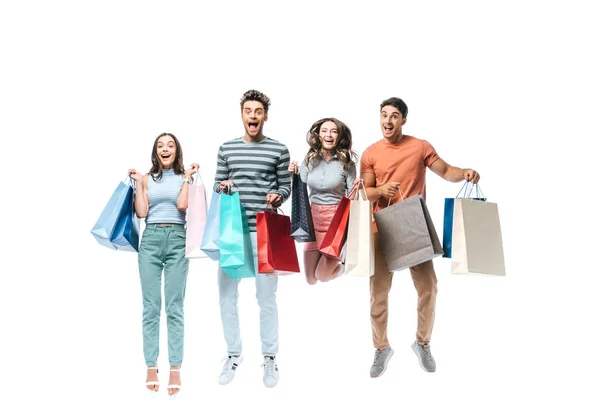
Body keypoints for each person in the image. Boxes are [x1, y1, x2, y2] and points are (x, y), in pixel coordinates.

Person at [360, 97, 480, 377]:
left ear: (403, 120)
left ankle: (422, 343)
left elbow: (447, 171)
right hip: (380, 228)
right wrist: (381, 191)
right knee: (378, 294)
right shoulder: (370, 153)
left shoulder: (420, 146)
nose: (387, 121)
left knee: (429, 287)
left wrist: (465, 173)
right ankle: (381, 348)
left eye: (394, 116)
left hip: (414, 226)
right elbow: (365, 192)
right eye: (383, 115)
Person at [213, 89, 291, 388]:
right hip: (233, 231)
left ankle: (270, 358)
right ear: (242, 115)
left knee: (265, 297)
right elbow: (218, 185)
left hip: (265, 231)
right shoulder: (226, 148)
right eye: (249, 111)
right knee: (225, 296)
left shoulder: (279, 149)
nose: (253, 116)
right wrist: (225, 185)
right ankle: (233, 354)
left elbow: (285, 185)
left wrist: (278, 194)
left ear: (265, 116)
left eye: (258, 111)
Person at [128, 133, 199, 397]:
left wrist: (188, 178)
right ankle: (150, 364)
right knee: (150, 306)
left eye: (170, 145)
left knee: (174, 307)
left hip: (178, 239)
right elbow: (142, 212)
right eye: (160, 146)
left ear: (177, 151)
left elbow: (182, 205)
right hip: (151, 240)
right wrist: (138, 185)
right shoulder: (146, 179)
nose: (165, 149)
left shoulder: (184, 178)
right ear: (155, 152)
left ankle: (175, 367)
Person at [288, 117, 357, 284]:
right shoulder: (310, 160)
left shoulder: (347, 164)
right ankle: (336, 262)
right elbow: (300, 190)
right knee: (311, 280)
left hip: (335, 224)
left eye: (334, 131)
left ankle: (342, 267)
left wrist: (358, 187)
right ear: (318, 136)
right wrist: (293, 174)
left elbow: (351, 197)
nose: (329, 134)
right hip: (312, 222)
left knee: (323, 276)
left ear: (340, 137)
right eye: (324, 131)